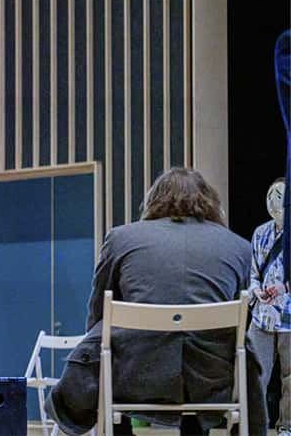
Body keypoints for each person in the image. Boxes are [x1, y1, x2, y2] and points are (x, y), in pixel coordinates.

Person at [45, 167, 267, 436]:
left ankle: (119, 428)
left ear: (154, 199)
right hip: (212, 381)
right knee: (218, 344)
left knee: (105, 336)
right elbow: (241, 324)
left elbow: (97, 312)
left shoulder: (121, 238)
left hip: (134, 376)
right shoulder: (239, 247)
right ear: (210, 201)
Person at [248, 177, 289, 436]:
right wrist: (256, 291)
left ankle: (287, 426)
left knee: (290, 378)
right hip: (261, 316)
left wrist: (285, 288)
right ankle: (255, 426)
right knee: (255, 376)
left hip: (288, 315)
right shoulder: (260, 233)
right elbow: (252, 272)